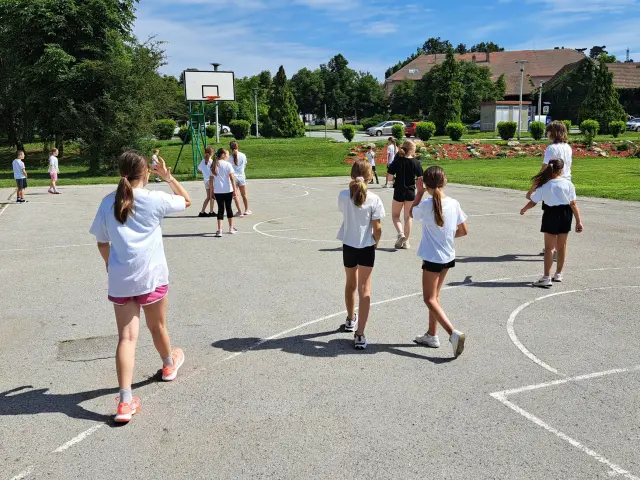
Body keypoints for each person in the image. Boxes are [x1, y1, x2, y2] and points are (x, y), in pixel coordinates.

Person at [89, 151, 191, 423]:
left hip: (121, 278)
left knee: (126, 338)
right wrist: (168, 178)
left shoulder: (108, 202)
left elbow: (102, 242)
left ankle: (125, 401)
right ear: (146, 172)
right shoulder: (154, 199)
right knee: (157, 326)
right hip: (151, 276)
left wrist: (110, 264)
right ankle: (168, 365)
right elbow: (186, 201)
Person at [411, 166, 467, 358]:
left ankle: (453, 333)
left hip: (432, 257)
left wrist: (419, 193)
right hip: (448, 256)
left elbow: (412, 214)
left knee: (429, 299)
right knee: (435, 297)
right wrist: (447, 237)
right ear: (445, 182)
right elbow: (463, 230)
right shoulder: (454, 203)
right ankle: (431, 335)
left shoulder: (426, 204)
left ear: (425, 184)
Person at [337, 160, 384, 350]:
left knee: (350, 283)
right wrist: (376, 242)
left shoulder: (343, 195)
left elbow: (346, 208)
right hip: (366, 247)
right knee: (365, 289)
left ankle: (350, 319)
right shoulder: (374, 199)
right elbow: (377, 228)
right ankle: (360, 334)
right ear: (370, 176)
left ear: (351, 174)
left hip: (349, 244)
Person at [520, 158, 583, 288]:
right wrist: (578, 221)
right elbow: (573, 204)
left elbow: (533, 201)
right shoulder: (568, 184)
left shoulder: (544, 185)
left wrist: (524, 209)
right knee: (562, 246)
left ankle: (546, 277)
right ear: (561, 169)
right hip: (566, 214)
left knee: (549, 248)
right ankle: (558, 274)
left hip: (550, 214)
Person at [527, 121, 573, 258]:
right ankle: (557, 248)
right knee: (562, 215)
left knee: (551, 216)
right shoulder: (568, 147)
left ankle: (552, 248)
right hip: (566, 183)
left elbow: (544, 170)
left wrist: (532, 189)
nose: (547, 134)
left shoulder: (551, 149)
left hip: (553, 185)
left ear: (553, 133)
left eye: (548, 132)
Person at [387, 139, 423, 250]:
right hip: (411, 192)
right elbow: (420, 179)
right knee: (408, 218)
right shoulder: (416, 163)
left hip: (399, 191)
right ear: (413, 149)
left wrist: (395, 179)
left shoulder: (397, 161)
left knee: (395, 216)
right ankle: (406, 242)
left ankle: (401, 233)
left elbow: (389, 177)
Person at [208, 148, 239, 237]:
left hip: (218, 191)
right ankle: (231, 228)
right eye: (227, 154)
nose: (228, 156)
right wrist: (235, 190)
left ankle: (220, 230)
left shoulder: (213, 165)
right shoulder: (228, 165)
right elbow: (232, 178)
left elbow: (211, 181)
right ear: (223, 155)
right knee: (229, 208)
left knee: (220, 209)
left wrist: (211, 192)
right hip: (228, 190)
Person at [230, 141, 252, 217]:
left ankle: (239, 211)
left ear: (230, 148)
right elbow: (245, 164)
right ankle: (246, 210)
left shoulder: (229, 157)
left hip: (234, 177)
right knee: (244, 194)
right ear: (238, 146)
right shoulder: (243, 155)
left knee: (236, 195)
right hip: (242, 176)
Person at [197, 146, 216, 218]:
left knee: (208, 197)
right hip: (211, 181)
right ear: (212, 153)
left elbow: (199, 169)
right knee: (212, 197)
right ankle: (211, 212)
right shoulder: (212, 161)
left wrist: (204, 171)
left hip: (205, 181)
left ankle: (202, 212)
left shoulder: (203, 161)